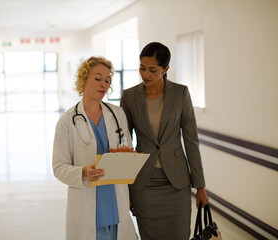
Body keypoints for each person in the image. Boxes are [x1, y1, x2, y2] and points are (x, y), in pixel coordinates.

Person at [120, 42, 209, 240]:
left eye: (153, 70)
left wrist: (200, 187)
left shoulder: (180, 94)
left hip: (176, 184)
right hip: (143, 183)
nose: (146, 75)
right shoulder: (129, 97)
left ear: (166, 69)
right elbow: (124, 144)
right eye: (142, 68)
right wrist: (124, 189)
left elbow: (191, 141)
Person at [52, 56, 138, 240]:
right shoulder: (67, 121)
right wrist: (82, 172)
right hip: (88, 203)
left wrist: (126, 155)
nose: (103, 84)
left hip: (116, 202)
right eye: (97, 78)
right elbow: (59, 167)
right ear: (83, 80)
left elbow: (128, 150)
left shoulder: (117, 114)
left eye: (107, 80)